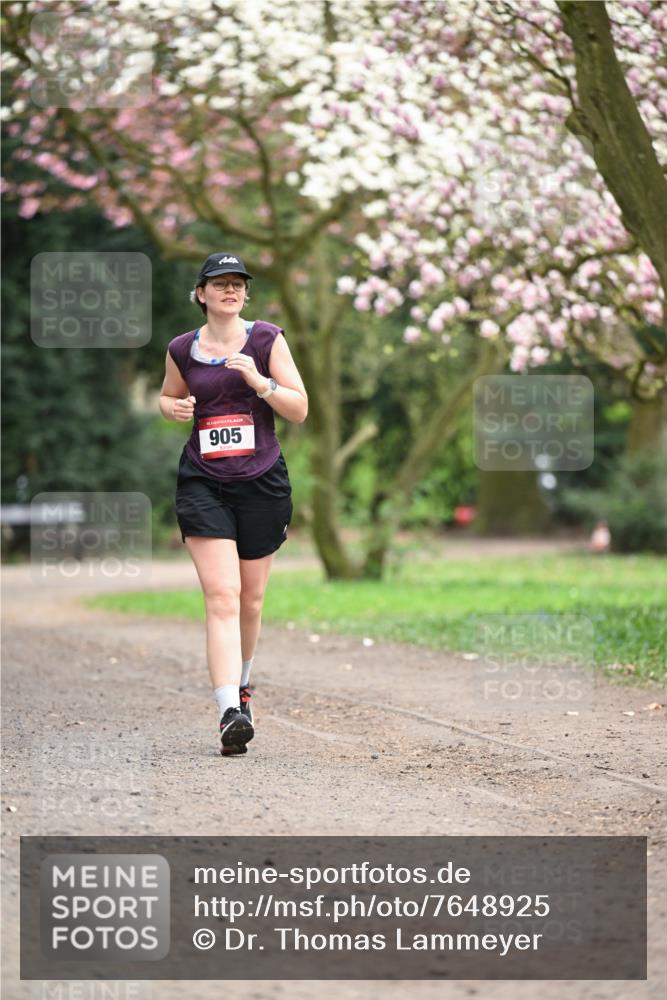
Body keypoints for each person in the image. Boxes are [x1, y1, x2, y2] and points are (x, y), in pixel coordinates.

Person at [159, 253, 308, 757]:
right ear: (201, 293)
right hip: (203, 480)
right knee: (222, 595)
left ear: (245, 295)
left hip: (262, 481)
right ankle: (228, 711)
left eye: (237, 284)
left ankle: (242, 687)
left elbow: (300, 408)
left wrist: (260, 383)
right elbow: (167, 397)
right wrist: (174, 408)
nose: (230, 290)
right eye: (219, 283)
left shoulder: (267, 340)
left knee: (250, 599)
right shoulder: (182, 349)